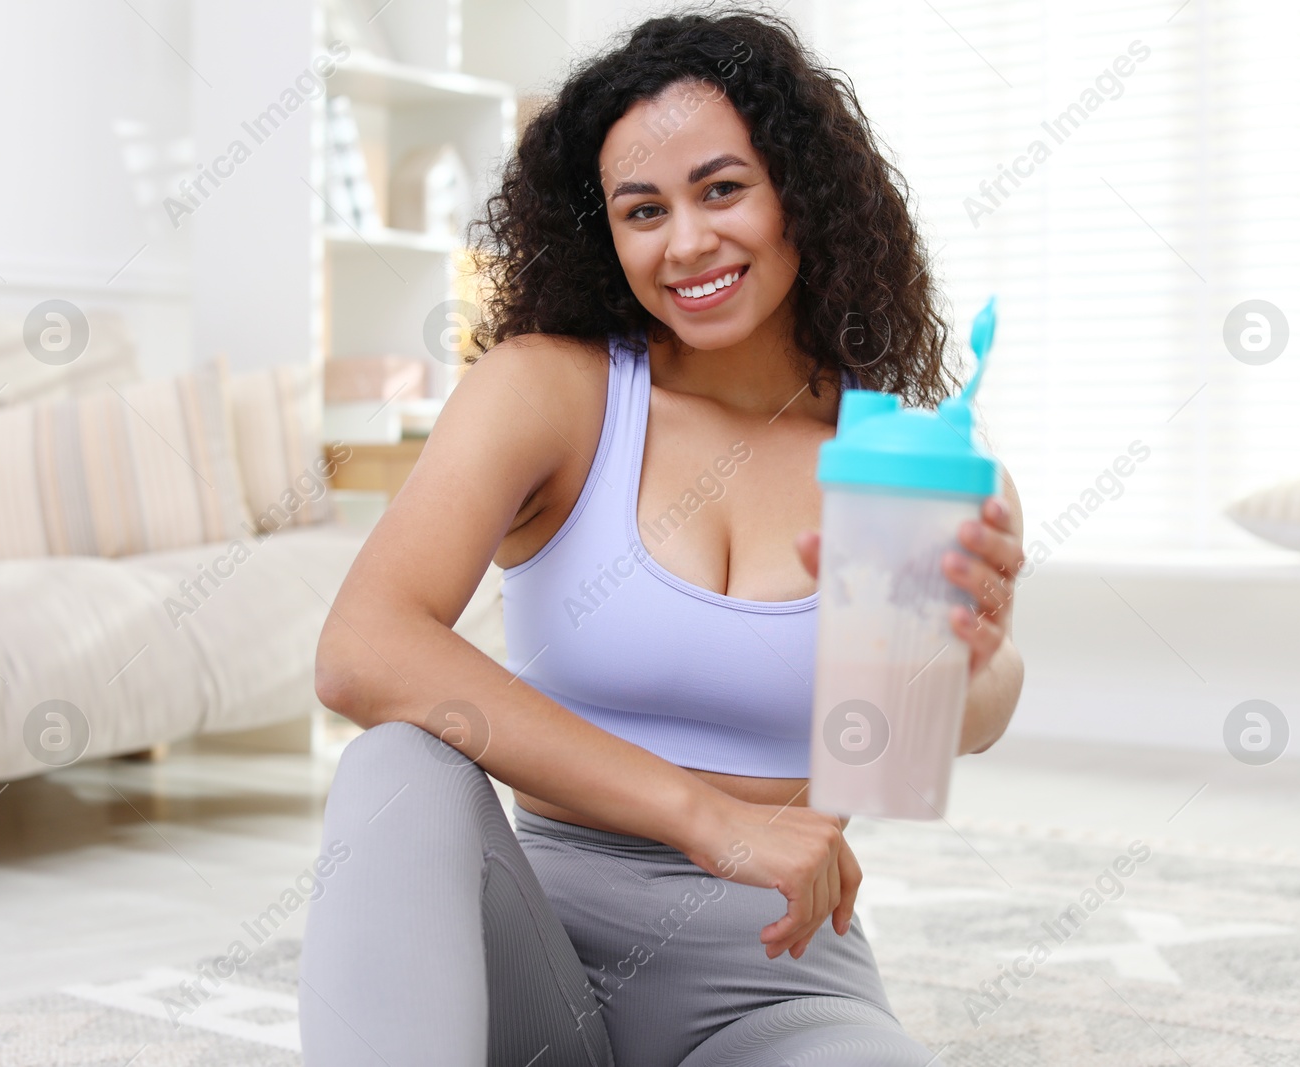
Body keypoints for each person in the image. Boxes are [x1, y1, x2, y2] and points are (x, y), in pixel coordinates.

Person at [301, 8, 1026, 1065]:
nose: (686, 241)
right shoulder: (549, 394)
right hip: (523, 963)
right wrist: (703, 815)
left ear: (801, 196)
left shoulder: (909, 463)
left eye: (722, 189)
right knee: (395, 764)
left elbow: (942, 731)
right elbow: (361, 649)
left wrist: (973, 656)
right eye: (643, 209)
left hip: (773, 990)